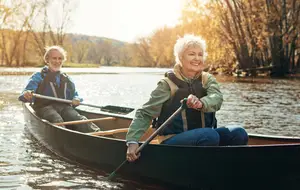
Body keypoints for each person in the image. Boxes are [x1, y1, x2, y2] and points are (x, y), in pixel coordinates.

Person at [126, 34, 248, 162]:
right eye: (191, 54)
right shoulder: (167, 84)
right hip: (172, 140)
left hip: (205, 136)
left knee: (239, 133)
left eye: (200, 54)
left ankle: (230, 167)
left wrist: (201, 103)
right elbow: (145, 113)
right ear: (180, 58)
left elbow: (217, 98)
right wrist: (132, 141)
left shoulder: (207, 79)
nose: (197, 58)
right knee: (209, 135)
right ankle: (202, 170)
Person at [18, 45, 100, 133]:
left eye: (60, 58)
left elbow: (75, 95)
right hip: (44, 107)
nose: (57, 61)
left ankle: (98, 134)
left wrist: (76, 99)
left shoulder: (66, 78)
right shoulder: (38, 76)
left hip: (64, 107)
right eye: (54, 58)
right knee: (56, 119)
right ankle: (65, 138)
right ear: (47, 60)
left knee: (78, 119)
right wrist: (27, 94)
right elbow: (25, 93)